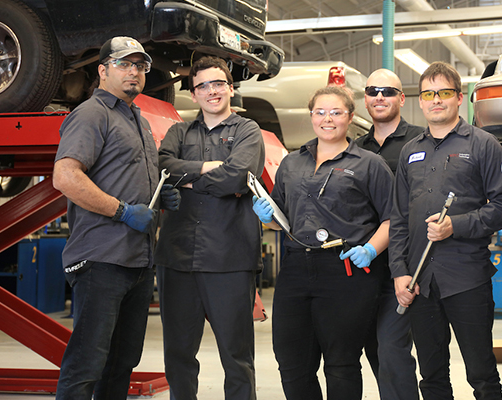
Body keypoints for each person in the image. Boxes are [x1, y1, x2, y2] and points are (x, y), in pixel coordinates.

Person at [52, 36, 180, 399]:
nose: (134, 72)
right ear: (103, 70)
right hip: (101, 258)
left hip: (137, 261)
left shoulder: (136, 118)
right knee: (87, 363)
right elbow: (65, 176)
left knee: (122, 362)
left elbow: (125, 176)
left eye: (140, 66)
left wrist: (160, 197)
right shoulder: (92, 113)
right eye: (124, 64)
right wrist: (122, 211)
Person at [252, 85, 394, 400]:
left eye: (336, 112)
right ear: (311, 116)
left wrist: (371, 250)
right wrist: (266, 216)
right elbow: (281, 218)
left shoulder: (368, 163)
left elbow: (393, 218)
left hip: (346, 269)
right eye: (320, 112)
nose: (327, 119)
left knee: (341, 363)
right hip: (296, 269)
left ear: (350, 117)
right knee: (292, 362)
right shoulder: (292, 163)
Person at [390, 61, 502, 400]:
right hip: (420, 282)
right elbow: (398, 217)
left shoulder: (483, 145)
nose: (436, 100)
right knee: (431, 376)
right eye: (428, 94)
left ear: (460, 98)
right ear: (420, 101)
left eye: (444, 93)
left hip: (467, 279)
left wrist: (455, 226)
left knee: (482, 373)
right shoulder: (411, 151)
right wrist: (399, 272)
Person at [154, 56, 264, 400]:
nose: (211, 91)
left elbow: (238, 174)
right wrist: (205, 168)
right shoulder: (178, 131)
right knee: (178, 355)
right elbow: (163, 169)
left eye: (218, 84)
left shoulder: (248, 130)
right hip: (177, 259)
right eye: (203, 85)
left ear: (230, 89)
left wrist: (188, 182)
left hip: (229, 259)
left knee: (237, 357)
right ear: (193, 93)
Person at [354, 68, 422, 400]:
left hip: (405, 264)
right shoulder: (355, 147)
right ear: (365, 98)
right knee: (375, 351)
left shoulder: (421, 141)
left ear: (401, 98)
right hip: (365, 267)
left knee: (393, 349)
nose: (380, 96)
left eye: (388, 91)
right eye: (372, 90)